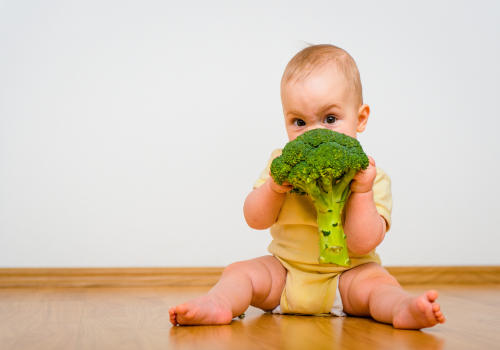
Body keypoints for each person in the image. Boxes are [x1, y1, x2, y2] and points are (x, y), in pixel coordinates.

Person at [169, 44, 446, 329]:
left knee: (379, 284)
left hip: (348, 276)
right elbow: (255, 219)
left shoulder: (372, 176)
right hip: (285, 273)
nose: (314, 133)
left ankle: (402, 308)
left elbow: (365, 243)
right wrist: (273, 189)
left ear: (360, 118)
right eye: (299, 122)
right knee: (240, 272)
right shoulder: (281, 165)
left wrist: (361, 192)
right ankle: (219, 303)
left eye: (329, 119)